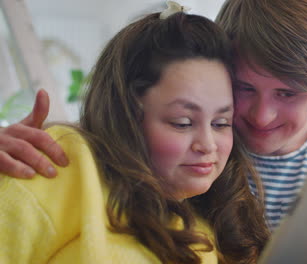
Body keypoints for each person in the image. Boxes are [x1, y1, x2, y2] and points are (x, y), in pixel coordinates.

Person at [0, 11, 271, 263]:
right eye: (183, 123)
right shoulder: (64, 162)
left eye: (221, 123)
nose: (208, 145)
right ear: (126, 115)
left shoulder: (219, 221)